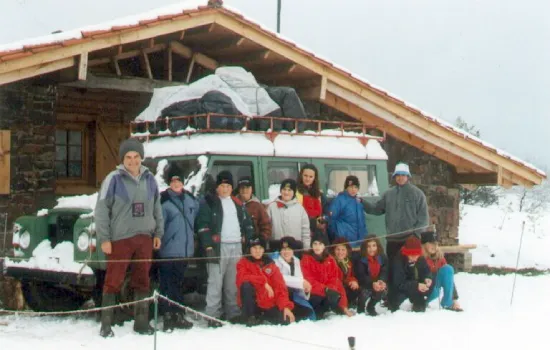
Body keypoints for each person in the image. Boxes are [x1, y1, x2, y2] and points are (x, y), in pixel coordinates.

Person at [95, 138, 164, 337]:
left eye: (136, 157)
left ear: (141, 158)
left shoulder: (150, 179)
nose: (133, 161)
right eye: (128, 157)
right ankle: (106, 325)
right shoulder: (113, 179)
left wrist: (158, 232)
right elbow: (101, 210)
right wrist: (105, 239)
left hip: (144, 238)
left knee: (142, 280)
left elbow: (157, 208)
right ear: (122, 159)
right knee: (113, 281)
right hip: (120, 239)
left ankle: (141, 323)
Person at [196, 170, 255, 326]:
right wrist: (208, 246)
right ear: (217, 187)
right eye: (222, 185)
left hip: (236, 246)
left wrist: (247, 238)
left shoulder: (237, 203)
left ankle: (233, 312)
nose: (225, 189)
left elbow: (248, 224)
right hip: (218, 246)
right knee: (215, 282)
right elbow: (202, 225)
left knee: (233, 282)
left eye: (228, 186)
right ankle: (212, 315)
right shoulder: (210, 202)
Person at [158, 163, 198, 332]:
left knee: (179, 284)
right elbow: (159, 225)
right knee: (167, 285)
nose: (176, 184)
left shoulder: (190, 199)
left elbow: (195, 217)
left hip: (184, 250)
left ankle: (179, 315)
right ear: (169, 182)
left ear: (183, 182)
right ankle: (168, 316)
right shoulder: (163, 201)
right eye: (173, 181)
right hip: (168, 250)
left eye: (179, 181)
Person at [363, 162, 429, 261]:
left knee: (409, 269)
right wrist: (362, 202)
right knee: (393, 269)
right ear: (394, 177)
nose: (400, 177)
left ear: (408, 176)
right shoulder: (388, 194)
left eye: (403, 175)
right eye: (398, 175)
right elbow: (376, 209)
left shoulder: (418, 194)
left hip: (410, 240)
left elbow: (423, 218)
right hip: (392, 240)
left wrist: (415, 236)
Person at [236, 236, 296, 326]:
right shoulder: (243, 262)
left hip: (268, 304)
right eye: (254, 248)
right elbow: (240, 279)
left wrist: (285, 307)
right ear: (249, 249)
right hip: (252, 306)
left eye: (260, 248)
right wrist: (263, 282)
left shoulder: (271, 264)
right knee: (246, 285)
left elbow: (280, 287)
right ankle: (250, 317)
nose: (257, 251)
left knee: (286, 320)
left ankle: (263, 318)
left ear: (264, 250)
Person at [301, 232, 354, 319]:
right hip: (311, 294)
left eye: (320, 244)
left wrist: (344, 307)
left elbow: (335, 280)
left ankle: (333, 309)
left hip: (326, 293)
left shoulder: (330, 260)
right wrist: (325, 289)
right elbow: (308, 280)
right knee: (319, 298)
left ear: (324, 246)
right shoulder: (306, 259)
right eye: (315, 244)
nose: (317, 247)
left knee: (335, 295)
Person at [273, 236, 316, 321]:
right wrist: (301, 282)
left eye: (289, 249)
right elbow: (280, 278)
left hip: (295, 296)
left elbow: (300, 282)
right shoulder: (275, 262)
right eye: (283, 249)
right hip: (281, 296)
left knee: (308, 313)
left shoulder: (297, 261)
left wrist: (306, 290)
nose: (286, 252)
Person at [421, 231, 463, 312]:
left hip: (435, 287)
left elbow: (449, 278)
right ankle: (422, 302)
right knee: (435, 290)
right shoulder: (420, 258)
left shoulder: (439, 257)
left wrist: (454, 299)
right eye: (431, 243)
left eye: (436, 243)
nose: (434, 246)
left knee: (448, 269)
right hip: (424, 289)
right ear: (424, 244)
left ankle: (448, 303)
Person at [389, 235, 432, 313]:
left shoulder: (420, 259)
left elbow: (426, 271)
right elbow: (399, 283)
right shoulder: (398, 261)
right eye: (412, 255)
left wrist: (427, 278)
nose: (415, 258)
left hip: (415, 286)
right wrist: (416, 285)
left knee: (420, 308)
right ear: (406, 253)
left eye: (417, 255)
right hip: (399, 289)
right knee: (395, 303)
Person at [266, 179, 310, 250]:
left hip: (295, 248)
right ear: (280, 191)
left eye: (289, 190)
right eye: (284, 189)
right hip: (277, 248)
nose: (286, 192)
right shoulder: (272, 207)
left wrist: (306, 249)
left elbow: (305, 231)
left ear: (294, 192)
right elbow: (266, 229)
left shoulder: (300, 208)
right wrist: (267, 247)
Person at [328, 175, 368, 247]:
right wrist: (337, 236)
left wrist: (364, 237)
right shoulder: (339, 200)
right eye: (350, 187)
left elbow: (362, 222)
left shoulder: (358, 201)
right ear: (346, 188)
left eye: (355, 187)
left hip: (359, 242)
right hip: (344, 243)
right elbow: (331, 219)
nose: (353, 189)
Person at [354, 235, 389, 316]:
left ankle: (371, 306)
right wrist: (372, 283)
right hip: (365, 284)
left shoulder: (382, 257)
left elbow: (385, 271)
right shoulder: (361, 259)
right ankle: (360, 308)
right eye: (368, 246)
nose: (371, 249)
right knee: (363, 294)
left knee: (382, 290)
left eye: (374, 245)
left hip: (377, 282)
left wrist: (381, 281)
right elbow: (361, 276)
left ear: (378, 246)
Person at [236, 176, 272, 242]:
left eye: (247, 188)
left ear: (251, 189)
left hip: (254, 247)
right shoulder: (233, 204)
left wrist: (260, 240)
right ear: (239, 189)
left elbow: (266, 226)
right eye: (242, 188)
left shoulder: (258, 206)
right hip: (236, 244)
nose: (244, 190)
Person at [330, 238, 361, 309]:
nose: (340, 252)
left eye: (343, 250)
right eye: (338, 249)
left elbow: (350, 276)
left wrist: (353, 281)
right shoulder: (330, 261)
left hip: (344, 287)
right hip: (335, 289)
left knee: (356, 288)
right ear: (333, 250)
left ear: (347, 251)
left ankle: (348, 304)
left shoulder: (348, 262)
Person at [296, 164, 327, 232]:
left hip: (316, 230)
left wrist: (323, 221)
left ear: (314, 178)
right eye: (305, 176)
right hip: (300, 228)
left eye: (311, 177)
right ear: (301, 176)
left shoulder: (319, 194)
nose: (307, 179)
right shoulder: (295, 192)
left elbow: (324, 212)